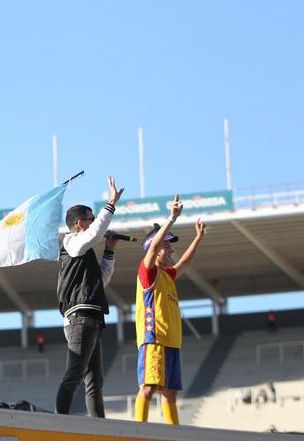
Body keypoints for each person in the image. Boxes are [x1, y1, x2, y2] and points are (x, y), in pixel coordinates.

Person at [55, 177, 124, 418]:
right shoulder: (72, 242)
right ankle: (60, 422)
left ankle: (99, 428)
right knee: (75, 374)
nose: (96, 224)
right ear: (80, 223)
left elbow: (101, 281)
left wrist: (109, 251)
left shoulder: (84, 252)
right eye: (92, 220)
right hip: (80, 319)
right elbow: (95, 234)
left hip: (90, 318)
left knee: (94, 381)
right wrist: (111, 204)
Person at [134, 194, 206, 425]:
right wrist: (171, 219)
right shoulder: (148, 272)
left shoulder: (167, 275)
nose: (171, 251)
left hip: (172, 342)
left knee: (170, 392)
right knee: (148, 387)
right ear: (154, 251)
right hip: (154, 339)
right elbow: (154, 246)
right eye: (167, 246)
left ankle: (174, 432)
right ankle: (139, 430)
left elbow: (184, 264)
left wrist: (199, 238)